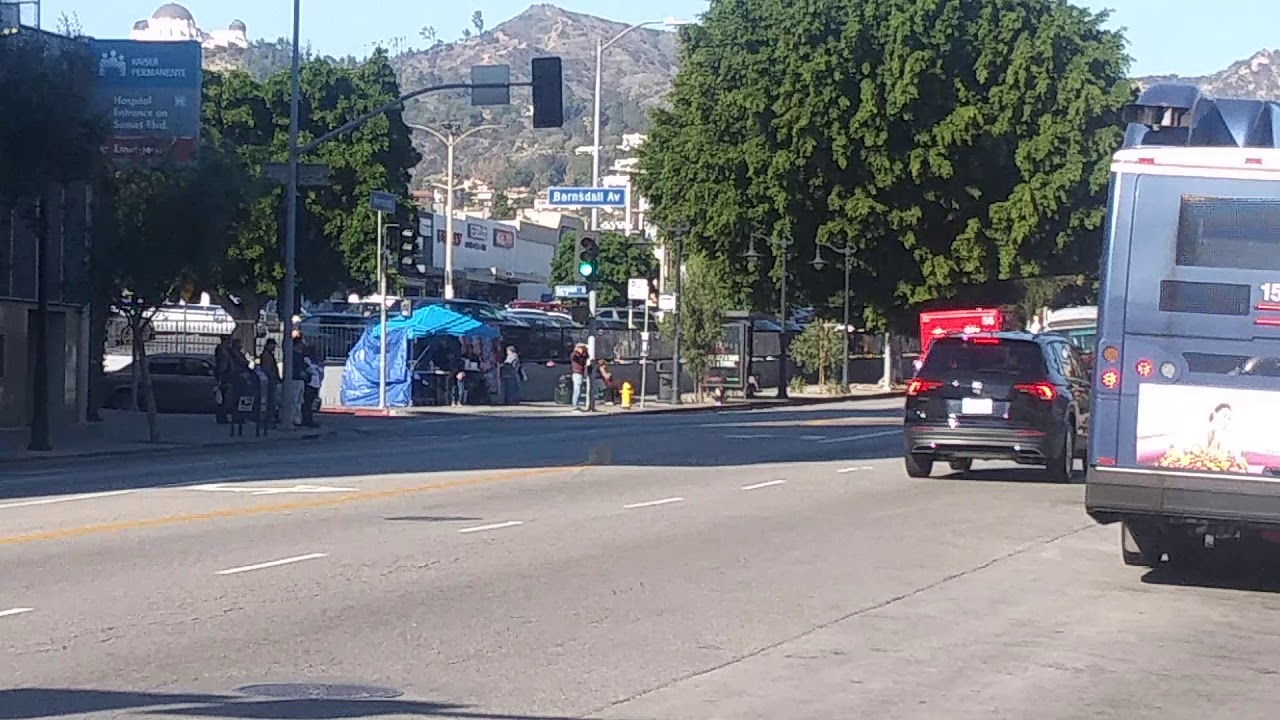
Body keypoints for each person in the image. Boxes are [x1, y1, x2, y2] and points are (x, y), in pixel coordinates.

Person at [258, 338, 281, 426]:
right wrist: (273, 376)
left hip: (272, 378)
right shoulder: (266, 355)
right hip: (270, 379)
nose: (274, 347)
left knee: (272, 400)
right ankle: (269, 417)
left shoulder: (269, 354)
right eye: (272, 345)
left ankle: (270, 416)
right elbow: (266, 368)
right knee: (270, 399)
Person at [569, 343, 589, 411]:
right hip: (577, 373)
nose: (582, 350)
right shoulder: (575, 354)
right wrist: (577, 350)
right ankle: (575, 405)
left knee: (579, 390)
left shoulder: (583, 356)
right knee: (577, 390)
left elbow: (586, 357)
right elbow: (574, 357)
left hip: (580, 373)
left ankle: (576, 404)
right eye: (581, 348)